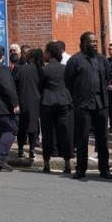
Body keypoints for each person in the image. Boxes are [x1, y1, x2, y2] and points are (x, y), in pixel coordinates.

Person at [64, 31, 112, 181]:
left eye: (96, 41)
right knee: (82, 138)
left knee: (102, 138)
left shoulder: (102, 59)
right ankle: (81, 169)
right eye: (91, 42)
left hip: (101, 104)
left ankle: (104, 169)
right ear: (83, 43)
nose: (95, 44)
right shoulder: (75, 60)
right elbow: (68, 82)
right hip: (83, 104)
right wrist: (77, 98)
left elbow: (107, 78)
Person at [39, 41, 72, 173]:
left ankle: (47, 164)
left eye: (45, 52)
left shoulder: (44, 69)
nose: (44, 54)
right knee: (64, 133)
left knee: (47, 134)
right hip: (63, 103)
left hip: (47, 103)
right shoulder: (65, 68)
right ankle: (67, 164)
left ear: (50, 53)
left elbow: (39, 87)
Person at [13, 48, 41, 160]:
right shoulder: (40, 70)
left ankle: (20, 150)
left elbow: (13, 85)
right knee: (33, 126)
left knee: (22, 127)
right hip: (35, 101)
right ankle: (32, 150)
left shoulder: (20, 69)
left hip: (22, 100)